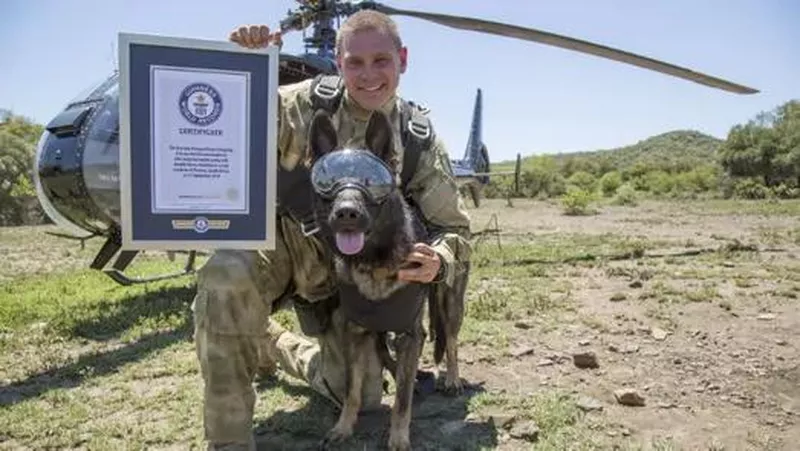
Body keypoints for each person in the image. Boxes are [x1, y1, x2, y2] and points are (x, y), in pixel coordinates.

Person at [192, 10, 472, 450]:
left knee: (359, 395)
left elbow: (454, 228)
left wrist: (440, 258)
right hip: (293, 249)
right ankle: (228, 442)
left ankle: (270, 343)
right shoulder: (302, 104)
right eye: (355, 63)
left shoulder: (417, 138)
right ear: (339, 63)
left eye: (382, 60)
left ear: (403, 59)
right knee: (226, 277)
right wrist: (245, 66)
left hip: (361, 280)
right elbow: (227, 122)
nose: (369, 75)